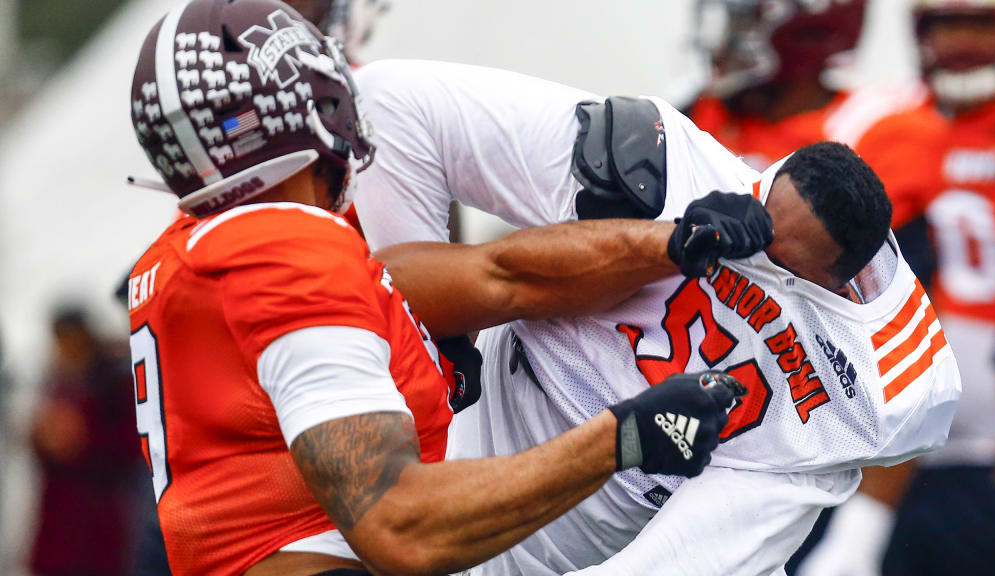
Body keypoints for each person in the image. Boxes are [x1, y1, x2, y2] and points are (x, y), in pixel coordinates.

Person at [127, 1, 750, 574]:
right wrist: (623, 437)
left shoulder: (189, 255)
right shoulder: (285, 252)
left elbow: (499, 274)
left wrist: (671, 240)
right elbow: (402, 526)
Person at [351, 58, 961, 575]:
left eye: (784, 259)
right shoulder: (665, 171)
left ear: (836, 278)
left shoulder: (865, 393)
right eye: (763, 227)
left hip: (584, 541)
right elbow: (389, 105)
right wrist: (427, 351)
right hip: (450, 437)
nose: (759, 253)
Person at [799, 2, 995, 574]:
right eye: (947, 25)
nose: (963, 43)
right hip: (875, 418)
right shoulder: (876, 121)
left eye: (982, 24)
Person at [684, 0, 923, 172]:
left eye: (748, 21)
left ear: (810, 30)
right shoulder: (703, 114)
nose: (726, 40)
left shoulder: (868, 130)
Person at [29, 307, 143, 576]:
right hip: (59, 524)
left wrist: (83, 437)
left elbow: (131, 445)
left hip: (98, 521)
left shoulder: (114, 379)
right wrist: (41, 437)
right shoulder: (56, 379)